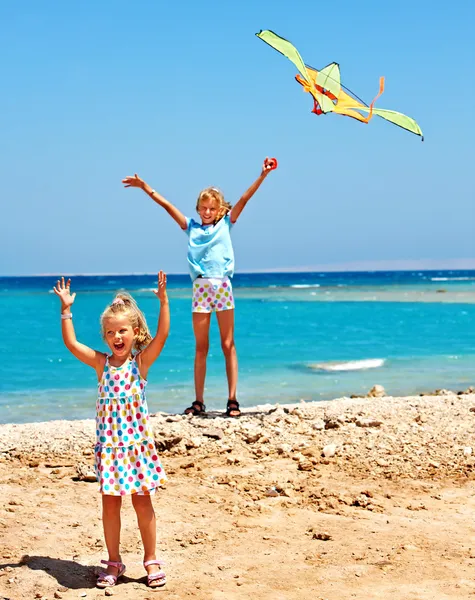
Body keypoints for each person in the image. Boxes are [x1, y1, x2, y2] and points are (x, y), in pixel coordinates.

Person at [122, 158, 277, 417]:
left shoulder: (226, 224)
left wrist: (262, 176)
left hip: (223, 286)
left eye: (211, 208)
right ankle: (199, 401)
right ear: (197, 208)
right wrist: (144, 186)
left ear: (219, 210)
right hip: (201, 289)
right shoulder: (191, 228)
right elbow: (167, 205)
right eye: (203, 208)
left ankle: (232, 400)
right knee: (201, 347)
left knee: (228, 344)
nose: (207, 212)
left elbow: (244, 199)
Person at [53, 273, 170, 589]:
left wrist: (163, 301)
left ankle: (151, 559)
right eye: (110, 332)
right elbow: (72, 343)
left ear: (134, 332)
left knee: (143, 503)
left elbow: (162, 336)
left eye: (122, 331)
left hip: (136, 450)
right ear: (105, 337)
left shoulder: (139, 365)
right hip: (111, 451)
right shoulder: (101, 365)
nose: (116, 337)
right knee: (110, 506)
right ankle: (114, 561)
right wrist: (67, 310)